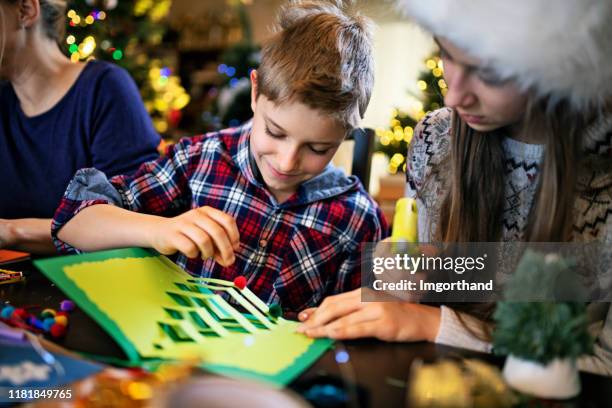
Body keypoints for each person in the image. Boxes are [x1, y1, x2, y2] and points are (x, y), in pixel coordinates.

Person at [297, 0, 612, 375]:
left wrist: (430, 322)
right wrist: (411, 275)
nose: (453, 96)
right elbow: (456, 285)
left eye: (490, 74)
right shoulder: (436, 138)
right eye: (446, 54)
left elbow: (602, 362)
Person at [50, 1, 388, 316]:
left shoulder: (358, 218)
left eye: (318, 148)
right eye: (275, 131)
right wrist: (159, 230)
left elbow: (380, 315)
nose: (286, 162)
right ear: (255, 93)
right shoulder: (199, 160)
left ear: (345, 134)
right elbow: (73, 222)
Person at [0, 0, 160, 253]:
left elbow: (133, 221)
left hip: (90, 287)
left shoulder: (104, 89)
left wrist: (11, 231)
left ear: (26, 10)